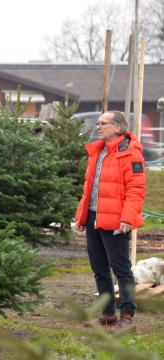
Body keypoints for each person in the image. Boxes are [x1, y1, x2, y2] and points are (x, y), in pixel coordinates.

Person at [75, 110, 146, 331]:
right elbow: (90, 189)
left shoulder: (131, 154)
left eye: (102, 123)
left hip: (117, 220)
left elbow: (136, 190)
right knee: (99, 268)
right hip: (94, 217)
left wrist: (127, 218)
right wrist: (82, 215)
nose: (98, 127)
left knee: (122, 269)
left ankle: (127, 317)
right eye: (98, 123)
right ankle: (107, 314)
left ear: (117, 127)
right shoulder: (98, 152)